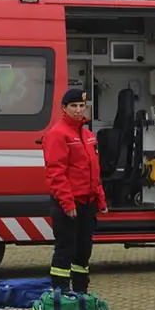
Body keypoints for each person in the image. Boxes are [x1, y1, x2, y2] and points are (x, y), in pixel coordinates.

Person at [43, 87, 108, 293]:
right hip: (69, 204)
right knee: (66, 249)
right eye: (74, 106)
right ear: (64, 108)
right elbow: (56, 173)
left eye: (82, 105)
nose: (79, 110)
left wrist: (101, 199)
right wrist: (67, 203)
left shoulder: (88, 135)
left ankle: (81, 292)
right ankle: (60, 294)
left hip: (87, 202)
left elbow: (94, 171)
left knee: (83, 251)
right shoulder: (57, 134)